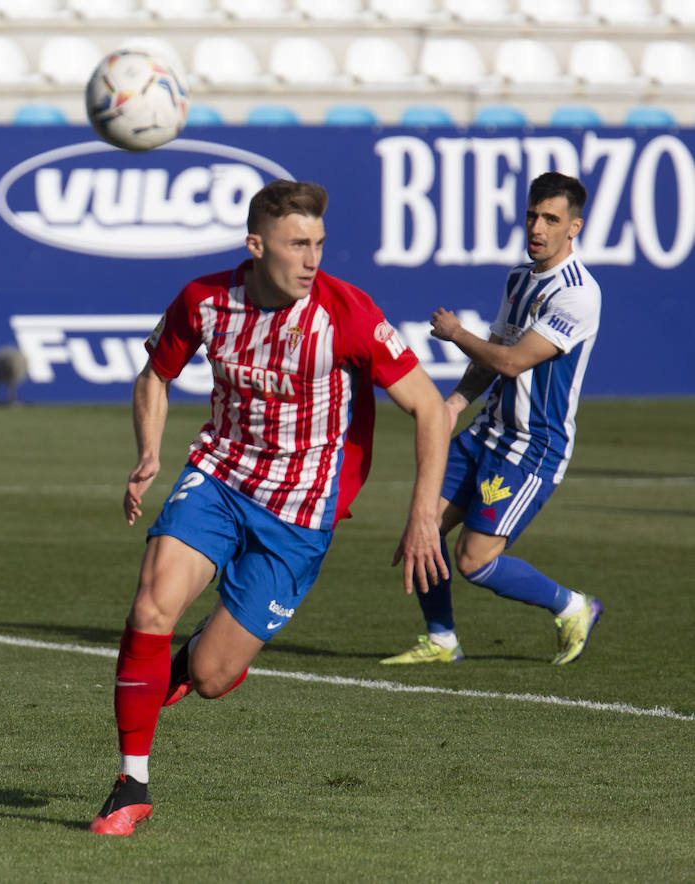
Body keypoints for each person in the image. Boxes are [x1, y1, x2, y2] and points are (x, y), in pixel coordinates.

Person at [89, 180, 450, 836]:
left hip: (300, 511)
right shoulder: (204, 301)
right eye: (296, 245)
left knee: (211, 675)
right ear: (256, 247)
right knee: (151, 604)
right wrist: (149, 452)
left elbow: (428, 406)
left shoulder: (347, 315)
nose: (312, 260)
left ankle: (198, 657)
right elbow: (155, 375)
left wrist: (423, 513)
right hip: (219, 477)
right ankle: (131, 783)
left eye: (318, 244)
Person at [381, 172, 603, 666]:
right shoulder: (519, 279)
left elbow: (512, 361)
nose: (537, 227)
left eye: (551, 218)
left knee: (474, 560)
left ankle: (574, 606)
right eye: (532, 216)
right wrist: (456, 404)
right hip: (487, 432)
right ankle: (442, 642)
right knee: (424, 530)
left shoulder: (578, 293)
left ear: (574, 228)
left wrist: (456, 333)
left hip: (531, 447)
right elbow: (495, 353)